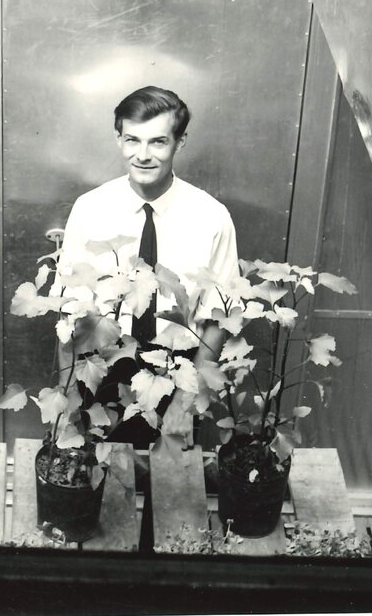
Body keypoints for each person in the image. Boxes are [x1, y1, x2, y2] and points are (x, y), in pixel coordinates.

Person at [57, 85, 240, 449]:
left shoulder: (211, 217)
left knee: (171, 494)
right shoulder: (90, 209)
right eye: (131, 140)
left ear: (180, 142)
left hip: (180, 369)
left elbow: (217, 319)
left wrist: (185, 405)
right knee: (107, 488)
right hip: (103, 369)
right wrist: (67, 404)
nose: (142, 155)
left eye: (157, 142)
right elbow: (68, 316)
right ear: (118, 138)